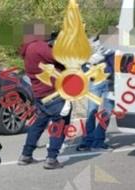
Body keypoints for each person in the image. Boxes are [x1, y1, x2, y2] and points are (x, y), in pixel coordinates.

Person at [18, 24, 69, 170]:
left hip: (39, 92)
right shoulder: (39, 46)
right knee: (60, 124)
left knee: (38, 124)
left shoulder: (27, 48)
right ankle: (52, 158)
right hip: (53, 92)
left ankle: (26, 155)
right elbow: (60, 58)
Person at [77, 35, 115, 152]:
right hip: (110, 82)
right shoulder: (115, 47)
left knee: (92, 111)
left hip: (100, 82)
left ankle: (88, 141)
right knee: (105, 112)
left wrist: (88, 72)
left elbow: (83, 62)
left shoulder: (93, 45)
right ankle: (96, 142)